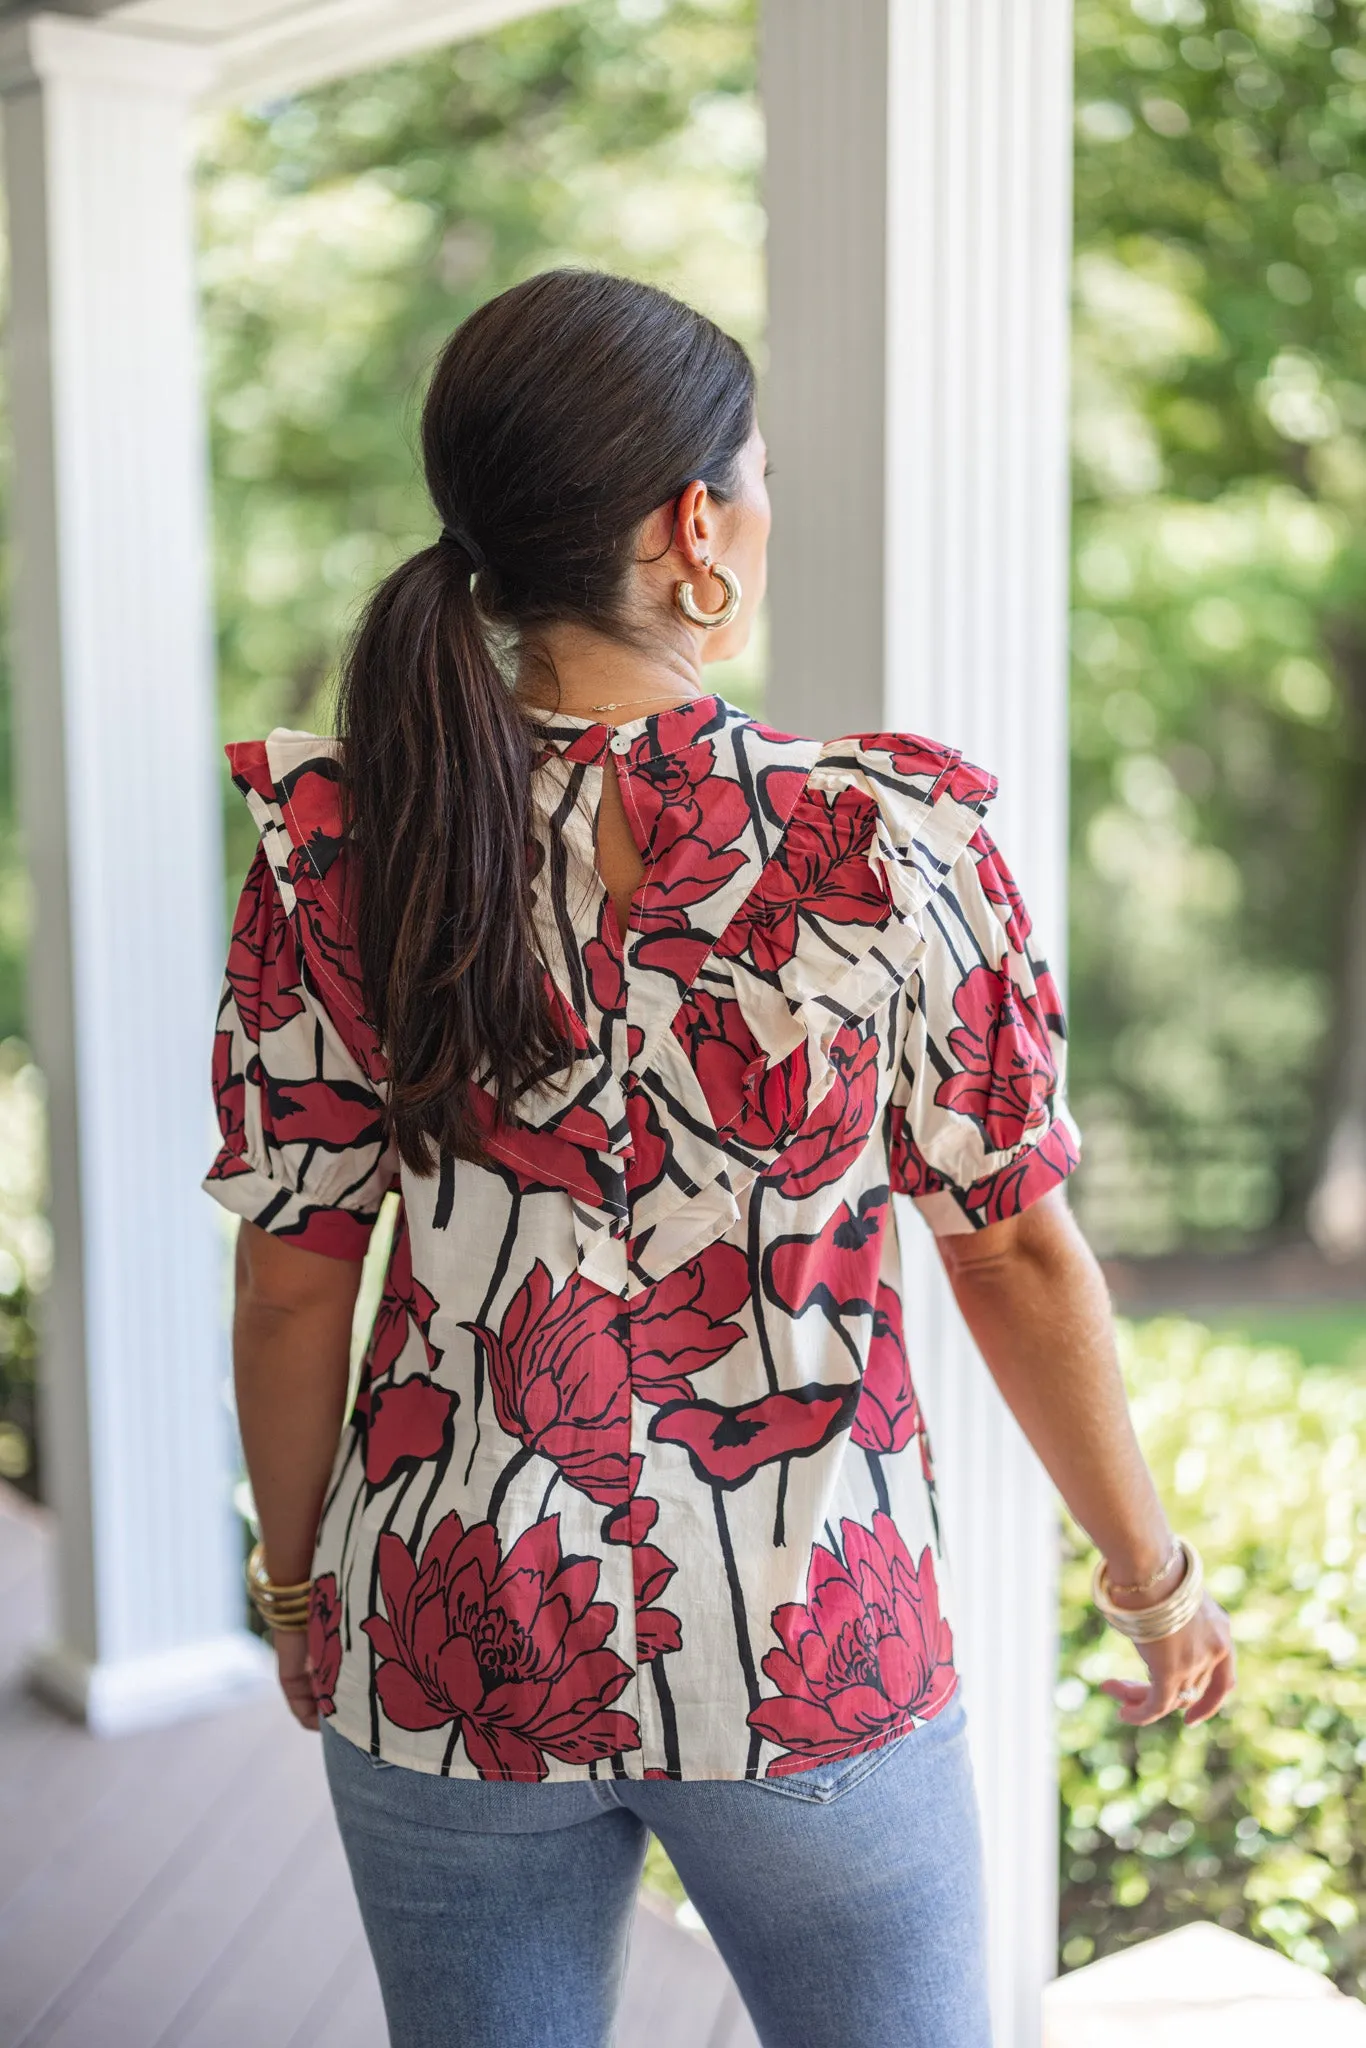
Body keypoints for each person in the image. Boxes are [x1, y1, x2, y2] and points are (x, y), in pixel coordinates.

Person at [204, 268, 1235, 2048]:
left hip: (447, 1636)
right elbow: (1011, 1253)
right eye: (750, 475)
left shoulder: (341, 839)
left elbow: (295, 1284)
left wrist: (300, 1590)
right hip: (806, 1642)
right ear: (696, 524)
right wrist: (1151, 1581)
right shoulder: (880, 841)